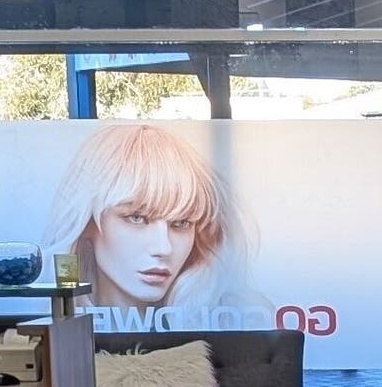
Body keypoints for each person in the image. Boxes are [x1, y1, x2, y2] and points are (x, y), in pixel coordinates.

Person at [41, 121, 260, 320]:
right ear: (87, 223)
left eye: (181, 223)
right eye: (136, 218)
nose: (163, 248)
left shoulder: (240, 315)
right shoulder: (59, 327)